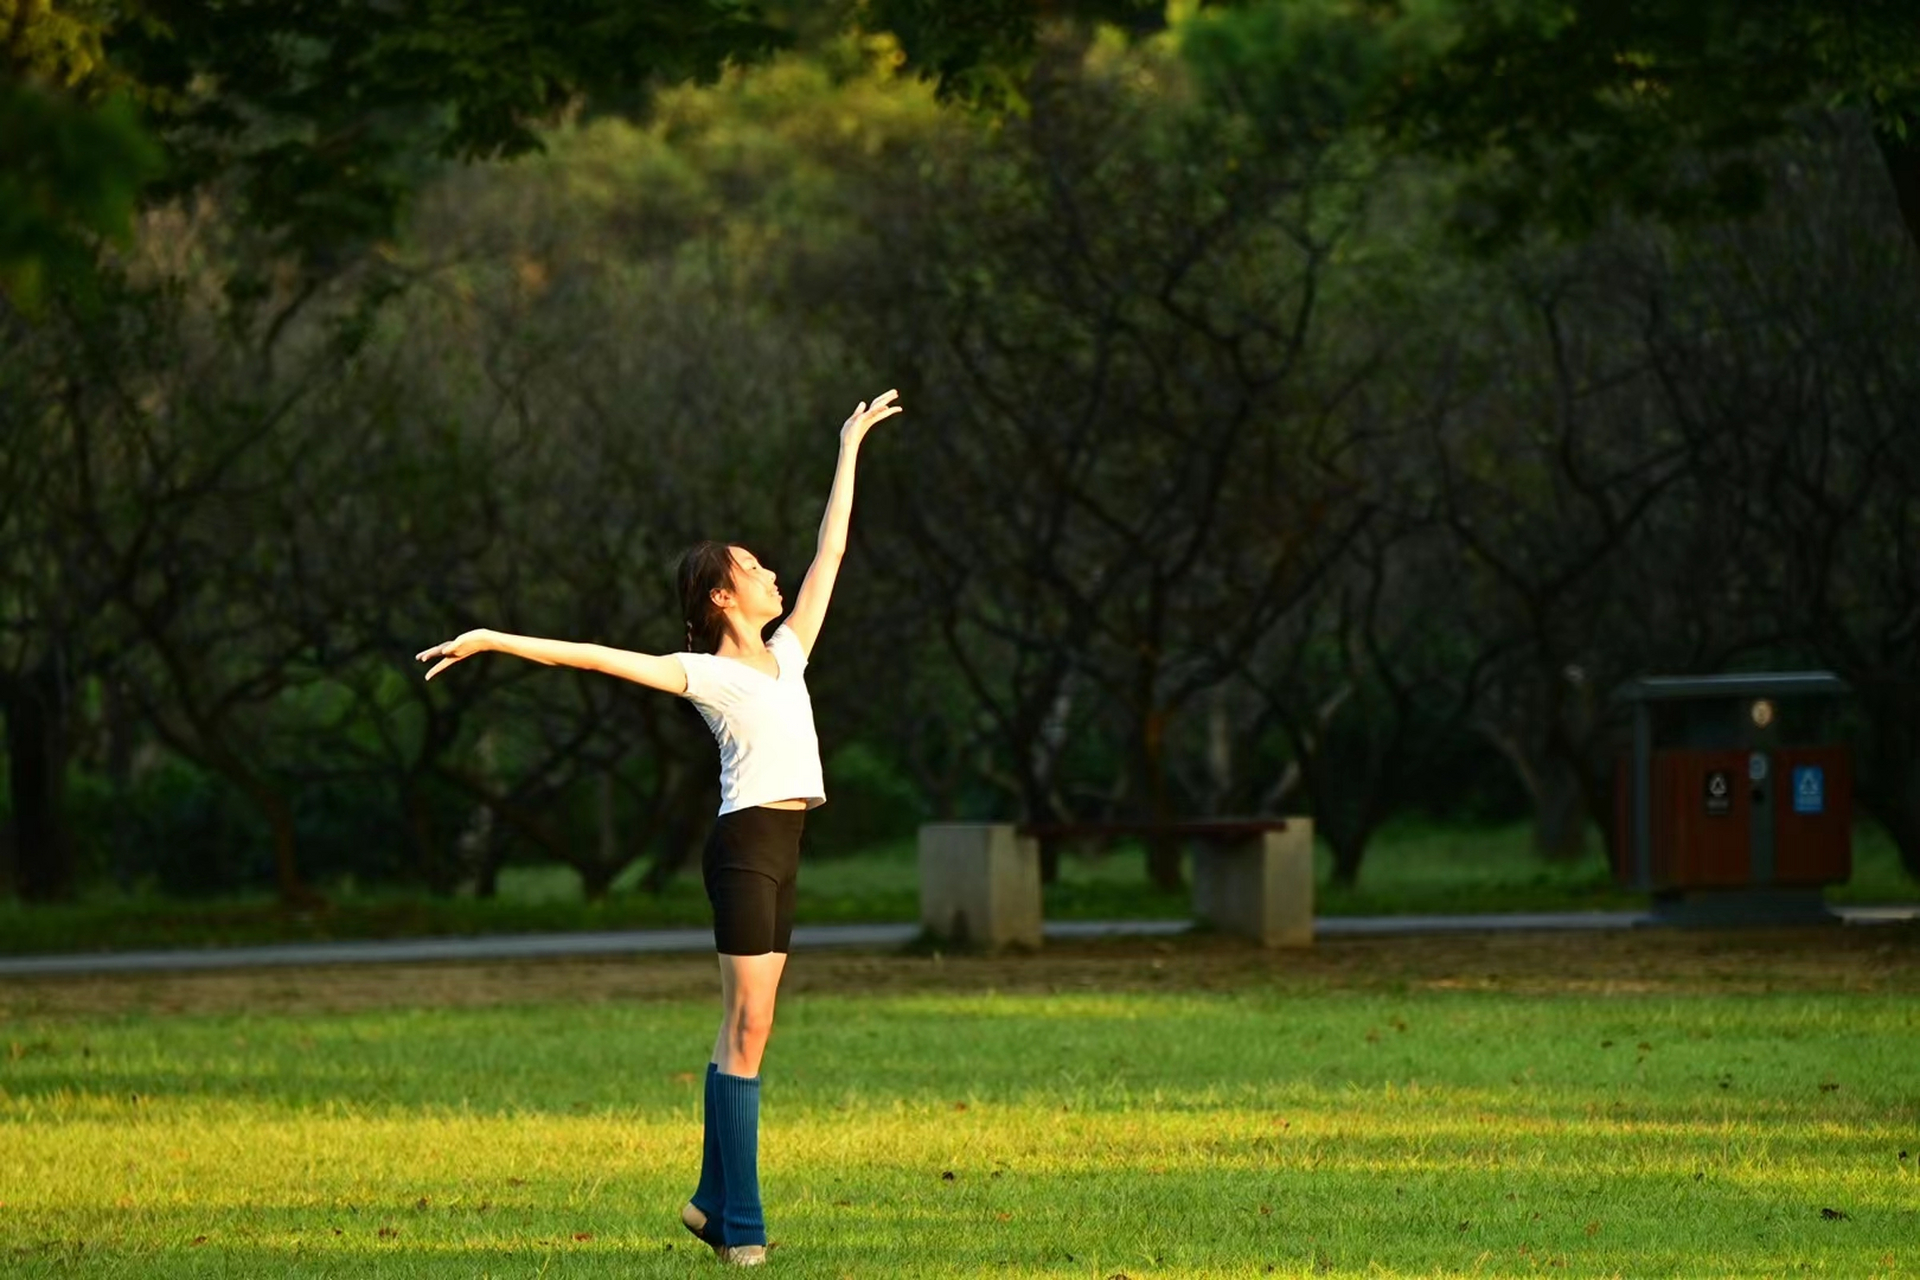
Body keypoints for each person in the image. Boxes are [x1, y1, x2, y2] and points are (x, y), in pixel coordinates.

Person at [417, 390, 903, 1266]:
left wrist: (849, 448)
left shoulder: (788, 653)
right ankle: (741, 1227)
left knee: (746, 1030)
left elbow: (833, 548)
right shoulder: (703, 673)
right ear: (723, 593)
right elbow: (595, 656)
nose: (773, 574)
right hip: (748, 847)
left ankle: (711, 1207)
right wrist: (491, 637)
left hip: (785, 847)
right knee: (748, 1029)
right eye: (754, 568)